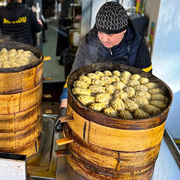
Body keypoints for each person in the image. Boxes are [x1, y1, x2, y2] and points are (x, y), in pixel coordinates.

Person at [54, 2, 152, 132]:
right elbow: (73, 76)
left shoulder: (138, 47)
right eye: (101, 32)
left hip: (125, 122)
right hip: (91, 117)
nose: (104, 38)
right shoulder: (88, 42)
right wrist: (63, 107)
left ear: (124, 30)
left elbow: (146, 85)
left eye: (110, 35)